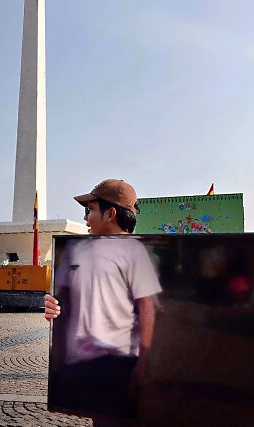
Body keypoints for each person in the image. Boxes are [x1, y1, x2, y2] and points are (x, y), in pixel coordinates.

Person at [46, 179, 162, 424]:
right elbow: (63, 301)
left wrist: (144, 365)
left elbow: (147, 309)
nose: (86, 218)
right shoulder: (76, 251)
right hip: (78, 363)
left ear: (110, 214)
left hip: (117, 364)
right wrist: (53, 308)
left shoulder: (135, 252)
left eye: (90, 210)